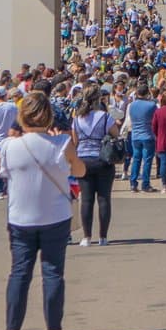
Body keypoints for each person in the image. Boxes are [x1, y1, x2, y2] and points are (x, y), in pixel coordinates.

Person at [0, 91, 82, 330]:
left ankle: (12, 329)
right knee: (53, 271)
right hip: (55, 215)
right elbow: (80, 170)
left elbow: (3, 173)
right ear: (49, 116)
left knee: (19, 272)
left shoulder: (9, 145)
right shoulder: (61, 144)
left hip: (20, 216)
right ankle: (54, 328)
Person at [69, 91, 117, 244]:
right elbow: (115, 134)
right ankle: (103, 237)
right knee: (104, 198)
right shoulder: (105, 117)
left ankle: (86, 237)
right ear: (98, 100)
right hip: (103, 158)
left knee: (87, 200)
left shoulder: (77, 119)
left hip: (83, 160)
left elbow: (75, 141)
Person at [121, 83, 157, 193]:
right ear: (147, 93)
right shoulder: (152, 105)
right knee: (147, 160)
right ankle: (145, 184)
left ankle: (133, 183)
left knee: (136, 159)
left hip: (135, 135)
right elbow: (155, 120)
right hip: (147, 134)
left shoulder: (131, 105)